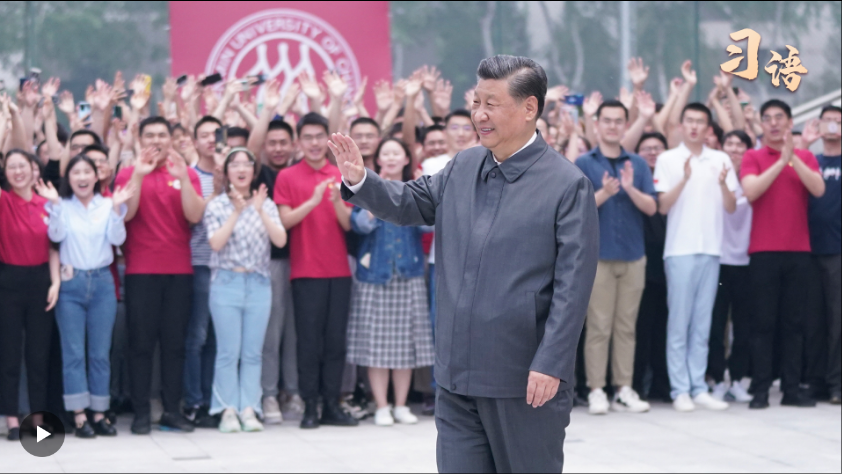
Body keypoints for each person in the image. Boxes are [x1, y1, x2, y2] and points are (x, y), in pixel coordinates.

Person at [333, 55, 599, 473]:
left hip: (524, 380)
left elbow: (574, 287)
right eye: (476, 102)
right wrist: (360, 180)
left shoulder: (567, 185)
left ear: (529, 108)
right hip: (456, 376)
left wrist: (551, 363)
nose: (479, 114)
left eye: (491, 103)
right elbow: (411, 202)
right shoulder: (464, 164)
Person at [114, 116, 206, 434]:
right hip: (141, 270)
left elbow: (195, 215)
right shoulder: (127, 174)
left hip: (179, 271)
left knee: (175, 345)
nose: (156, 140)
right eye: (150, 135)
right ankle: (141, 413)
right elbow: (127, 215)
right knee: (140, 345)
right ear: (140, 140)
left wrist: (183, 178)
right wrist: (139, 175)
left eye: (162, 135)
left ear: (172, 139)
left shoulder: (187, 173)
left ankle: (172, 411)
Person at [273, 112, 358, 429]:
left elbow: (349, 224)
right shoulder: (287, 176)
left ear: (328, 139)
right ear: (299, 142)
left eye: (319, 136)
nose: (313, 143)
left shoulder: (341, 173)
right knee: (308, 343)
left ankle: (331, 404)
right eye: (307, 137)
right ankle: (310, 406)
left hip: (339, 272)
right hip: (305, 273)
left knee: (335, 342)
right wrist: (312, 201)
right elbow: (284, 221)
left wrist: (335, 200)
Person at [39, 155, 133, 438]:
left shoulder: (108, 204)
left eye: (87, 172)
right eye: (76, 172)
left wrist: (116, 209)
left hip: (103, 282)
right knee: (74, 353)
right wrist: (56, 206)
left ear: (96, 176)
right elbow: (55, 236)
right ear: (68, 178)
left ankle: (100, 413)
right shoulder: (60, 205)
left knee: (100, 353)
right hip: (71, 283)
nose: (82, 177)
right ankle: (79, 415)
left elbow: (117, 240)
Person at [740, 99, 826, 409]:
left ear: (790, 123)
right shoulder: (752, 156)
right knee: (763, 323)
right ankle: (761, 390)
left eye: (780, 118)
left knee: (794, 324)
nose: (774, 123)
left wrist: (793, 158)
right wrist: (780, 162)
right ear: (761, 125)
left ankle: (791, 389)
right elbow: (751, 191)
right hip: (763, 251)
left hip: (798, 252)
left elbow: (818, 189)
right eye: (767, 118)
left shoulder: (805, 157)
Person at [575, 100, 657, 415]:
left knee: (626, 326)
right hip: (598, 257)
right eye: (606, 120)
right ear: (596, 125)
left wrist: (629, 189)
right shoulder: (584, 162)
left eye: (618, 121)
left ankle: (624, 388)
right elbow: (577, 209)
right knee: (598, 325)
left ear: (626, 125)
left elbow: (652, 207)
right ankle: (596, 389)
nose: (612, 126)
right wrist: (605, 193)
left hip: (633, 255)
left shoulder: (637, 163)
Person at [346, 139, 435, 426]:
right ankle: (382, 405)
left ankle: (400, 404)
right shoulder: (366, 186)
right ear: (379, 159)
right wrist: (375, 197)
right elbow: (360, 225)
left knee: (406, 345)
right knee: (376, 346)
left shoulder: (416, 188)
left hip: (408, 273)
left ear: (406, 158)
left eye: (397, 153)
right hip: (375, 275)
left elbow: (428, 225)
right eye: (387, 153)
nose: (392, 157)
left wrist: (425, 200)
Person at [654, 103, 737, 412]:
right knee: (679, 323)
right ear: (681, 125)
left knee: (703, 324)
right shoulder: (668, 159)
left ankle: (698, 386)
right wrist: (685, 179)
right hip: (679, 250)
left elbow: (731, 207)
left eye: (700, 122)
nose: (693, 126)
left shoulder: (721, 159)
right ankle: (680, 389)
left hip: (711, 249)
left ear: (708, 128)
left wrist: (723, 184)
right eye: (689, 120)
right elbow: (663, 206)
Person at [204, 148, 287, 433]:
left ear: (254, 171)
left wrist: (259, 210)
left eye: (246, 164)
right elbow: (216, 243)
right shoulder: (216, 205)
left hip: (259, 283)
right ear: (227, 172)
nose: (241, 169)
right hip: (226, 282)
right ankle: (227, 409)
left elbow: (280, 240)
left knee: (253, 352)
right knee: (228, 352)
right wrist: (237, 212)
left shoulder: (266, 203)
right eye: (235, 165)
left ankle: (250, 408)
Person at [0, 149, 60, 441]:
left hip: (41, 282)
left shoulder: (47, 203)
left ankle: (38, 422)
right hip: (8, 281)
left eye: (22, 165)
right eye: (11, 167)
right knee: (9, 354)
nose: (18, 171)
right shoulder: (3, 201)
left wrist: (55, 282)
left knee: (38, 355)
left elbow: (54, 247)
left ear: (34, 169)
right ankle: (11, 419)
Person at [251, 119, 303, 423]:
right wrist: (267, 110)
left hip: (304, 260)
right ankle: (269, 393)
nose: (278, 148)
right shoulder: (259, 174)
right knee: (272, 332)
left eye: (284, 142)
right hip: (271, 261)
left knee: (295, 332)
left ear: (294, 144)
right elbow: (251, 148)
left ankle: (293, 391)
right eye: (272, 143)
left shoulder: (299, 171)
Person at [707, 130, 754, 403]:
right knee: (716, 325)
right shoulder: (714, 176)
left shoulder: (754, 178)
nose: (735, 149)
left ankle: (737, 379)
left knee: (743, 325)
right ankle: (716, 378)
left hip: (746, 261)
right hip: (719, 260)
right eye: (730, 144)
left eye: (741, 145)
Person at [183, 116, 223, 428]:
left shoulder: (235, 172)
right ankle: (194, 401)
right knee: (196, 337)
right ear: (194, 142)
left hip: (229, 267)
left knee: (217, 339)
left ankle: (213, 401)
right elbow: (193, 217)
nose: (211, 139)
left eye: (216, 134)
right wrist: (217, 190)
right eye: (204, 134)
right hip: (199, 264)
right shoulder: (189, 175)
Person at [632, 132, 671, 402]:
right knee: (641, 329)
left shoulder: (673, 180)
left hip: (669, 266)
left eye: (658, 148)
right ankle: (637, 385)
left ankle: (661, 385)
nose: (653, 152)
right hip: (640, 264)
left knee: (663, 329)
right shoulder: (632, 180)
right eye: (646, 148)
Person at [806, 105, 841, 405]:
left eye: (837, 122)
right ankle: (815, 380)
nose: (832, 126)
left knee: (837, 321)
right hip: (808, 250)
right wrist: (805, 144)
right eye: (827, 121)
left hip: (837, 251)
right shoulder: (811, 161)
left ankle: (836, 383)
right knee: (813, 320)